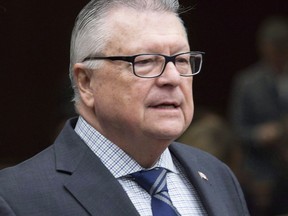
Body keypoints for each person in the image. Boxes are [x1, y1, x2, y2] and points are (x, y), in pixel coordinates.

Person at [0, 0, 249, 215]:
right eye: (147, 61)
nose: (172, 78)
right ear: (86, 82)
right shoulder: (16, 198)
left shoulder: (217, 175)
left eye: (182, 60)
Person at [229, 15, 288, 215]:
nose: (280, 53)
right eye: (275, 47)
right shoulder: (247, 83)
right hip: (260, 171)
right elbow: (236, 131)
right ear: (263, 47)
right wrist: (260, 134)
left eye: (283, 47)